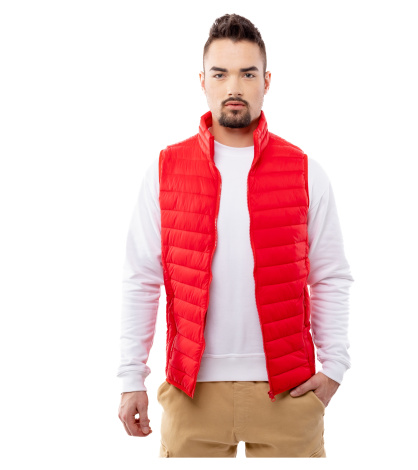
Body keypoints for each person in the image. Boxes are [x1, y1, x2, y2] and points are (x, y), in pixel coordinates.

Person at [117, 13, 354, 458]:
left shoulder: (304, 171)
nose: (234, 87)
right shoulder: (166, 170)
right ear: (202, 81)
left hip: (289, 391)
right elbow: (141, 278)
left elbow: (330, 276)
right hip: (191, 392)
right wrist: (132, 377)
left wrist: (335, 367)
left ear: (266, 81)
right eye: (220, 73)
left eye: (247, 74)